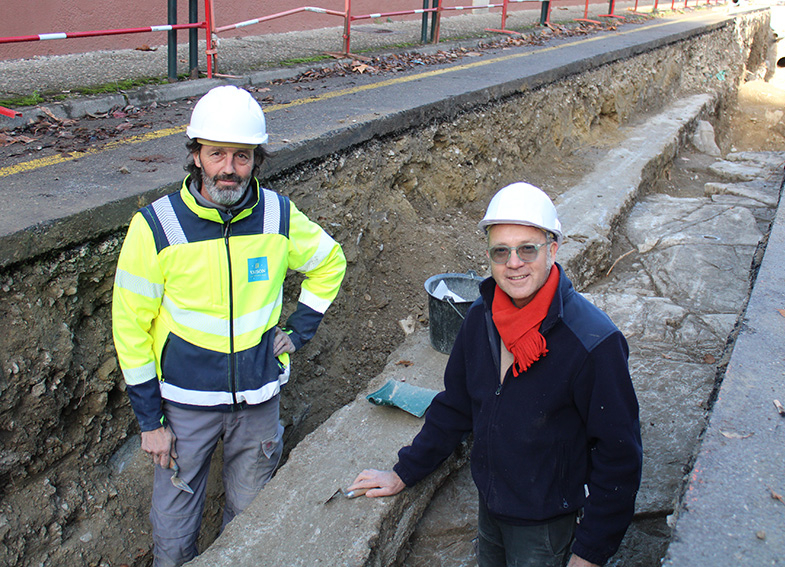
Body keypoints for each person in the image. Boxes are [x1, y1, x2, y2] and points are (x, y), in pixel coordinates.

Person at [112, 85, 346, 567]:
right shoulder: (157, 226)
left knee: (252, 521)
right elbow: (130, 328)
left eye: (241, 157)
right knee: (174, 530)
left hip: (258, 400)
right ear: (195, 155)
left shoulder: (278, 215)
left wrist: (298, 331)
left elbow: (329, 262)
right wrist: (149, 422)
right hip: (183, 406)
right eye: (216, 153)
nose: (228, 168)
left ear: (256, 160)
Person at [348, 182, 641, 567]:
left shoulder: (591, 342)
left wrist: (588, 554)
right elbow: (455, 407)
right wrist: (403, 472)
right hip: (492, 505)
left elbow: (619, 457)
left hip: (546, 523)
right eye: (501, 251)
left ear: (552, 249)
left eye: (527, 249)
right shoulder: (481, 318)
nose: (513, 263)